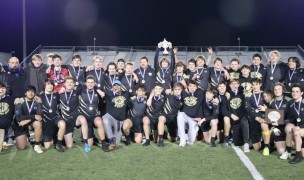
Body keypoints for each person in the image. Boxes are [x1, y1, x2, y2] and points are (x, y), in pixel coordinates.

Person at [59, 77, 90, 152]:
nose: (69, 84)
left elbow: (87, 85)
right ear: (64, 84)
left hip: (75, 117)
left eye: (71, 82)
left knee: (83, 119)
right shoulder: (60, 94)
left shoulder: (77, 92)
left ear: (73, 84)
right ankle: (64, 136)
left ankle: (85, 142)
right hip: (66, 120)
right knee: (69, 146)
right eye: (67, 82)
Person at [78, 76, 109, 152]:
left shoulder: (98, 92)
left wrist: (99, 91)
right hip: (85, 118)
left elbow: (105, 100)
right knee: (90, 143)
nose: (90, 84)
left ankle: (103, 143)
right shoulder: (81, 90)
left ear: (95, 83)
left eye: (92, 82)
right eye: (88, 82)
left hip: (94, 116)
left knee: (99, 122)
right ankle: (87, 138)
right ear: (85, 83)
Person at [100, 80, 130, 150]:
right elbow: (97, 88)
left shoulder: (126, 93)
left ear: (121, 87)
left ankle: (115, 139)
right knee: (105, 119)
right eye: (114, 85)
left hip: (119, 121)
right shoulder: (108, 93)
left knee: (117, 143)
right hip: (110, 118)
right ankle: (111, 140)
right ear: (112, 87)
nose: (116, 87)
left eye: (118, 85)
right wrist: (100, 92)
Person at [13, 85, 44, 153]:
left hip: (30, 123)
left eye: (32, 91)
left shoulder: (37, 101)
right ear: (25, 93)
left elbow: (39, 117)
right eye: (28, 91)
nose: (30, 93)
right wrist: (33, 117)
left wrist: (28, 120)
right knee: (21, 147)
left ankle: (36, 145)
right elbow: (19, 117)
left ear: (35, 93)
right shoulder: (20, 101)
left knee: (38, 123)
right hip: (20, 125)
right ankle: (26, 136)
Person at [246, 78, 271, 155]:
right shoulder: (248, 95)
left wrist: (266, 110)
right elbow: (248, 109)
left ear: (260, 84)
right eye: (253, 85)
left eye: (256, 84)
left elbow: (271, 106)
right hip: (254, 120)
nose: (255, 86)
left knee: (264, 125)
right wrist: (257, 118)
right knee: (257, 148)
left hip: (264, 119)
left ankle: (267, 146)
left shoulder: (265, 94)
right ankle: (265, 142)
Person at [40, 79, 65, 152]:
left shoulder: (56, 94)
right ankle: (54, 138)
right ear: (44, 86)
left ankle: (59, 144)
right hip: (46, 120)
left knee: (62, 124)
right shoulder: (39, 96)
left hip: (55, 118)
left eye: (51, 84)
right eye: (48, 84)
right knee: (47, 146)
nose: (50, 86)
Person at [177, 80, 204, 147]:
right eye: (190, 86)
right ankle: (182, 140)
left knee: (191, 141)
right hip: (185, 116)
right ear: (187, 87)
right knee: (180, 115)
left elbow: (211, 93)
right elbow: (175, 92)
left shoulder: (200, 93)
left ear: (197, 87)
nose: (192, 88)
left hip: (194, 118)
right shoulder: (183, 92)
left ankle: (187, 137)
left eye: (194, 86)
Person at [267, 83, 290, 156]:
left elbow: (291, 118)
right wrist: (273, 128)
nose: (277, 91)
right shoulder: (272, 102)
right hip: (277, 129)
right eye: (275, 90)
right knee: (281, 151)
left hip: (286, 127)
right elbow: (270, 118)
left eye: (279, 89)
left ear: (283, 90)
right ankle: (274, 144)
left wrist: (282, 122)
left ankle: (291, 143)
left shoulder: (288, 101)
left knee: (292, 142)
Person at [228, 79, 250, 152]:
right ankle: (241, 138)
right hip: (234, 118)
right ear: (230, 85)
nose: (234, 85)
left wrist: (245, 95)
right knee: (236, 142)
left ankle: (246, 143)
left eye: (236, 84)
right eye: (232, 84)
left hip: (242, 116)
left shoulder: (242, 93)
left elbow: (246, 106)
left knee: (244, 122)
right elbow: (225, 109)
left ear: (238, 85)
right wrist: (231, 115)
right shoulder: (227, 94)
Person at [284, 84, 304, 164]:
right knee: (289, 127)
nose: (294, 93)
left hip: (301, 129)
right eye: (293, 91)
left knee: (296, 131)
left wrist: (300, 127)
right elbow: (286, 117)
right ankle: (289, 152)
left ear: (301, 93)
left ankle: (298, 154)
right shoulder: (290, 103)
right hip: (298, 129)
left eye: (297, 91)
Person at [0, 82, 14, 152]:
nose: (1, 90)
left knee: (5, 146)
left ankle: (8, 138)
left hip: (7, 128)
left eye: (3, 88)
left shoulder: (11, 99)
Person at [217, 81, 231, 147]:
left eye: (223, 86)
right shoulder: (215, 96)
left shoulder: (229, 96)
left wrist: (228, 100)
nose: (222, 88)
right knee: (219, 140)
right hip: (217, 118)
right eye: (220, 86)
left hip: (226, 116)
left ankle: (226, 139)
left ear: (226, 88)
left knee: (226, 118)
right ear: (217, 88)